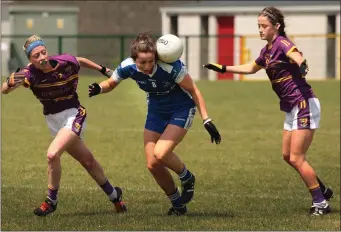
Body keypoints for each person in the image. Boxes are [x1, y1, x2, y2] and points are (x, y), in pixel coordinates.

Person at [203, 7, 333, 216]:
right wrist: (224, 68)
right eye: (258, 26)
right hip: (292, 108)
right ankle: (322, 190)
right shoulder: (267, 51)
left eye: (264, 26)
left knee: (297, 157)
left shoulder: (282, 43)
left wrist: (302, 64)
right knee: (287, 155)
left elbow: (296, 55)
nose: (260, 30)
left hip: (304, 104)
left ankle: (320, 203)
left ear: (277, 26)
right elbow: (251, 68)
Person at [88, 32, 221, 215]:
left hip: (181, 109)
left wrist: (206, 119)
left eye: (151, 61)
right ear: (134, 59)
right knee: (153, 164)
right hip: (156, 112)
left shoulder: (170, 67)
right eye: (142, 62)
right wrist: (98, 88)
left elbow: (194, 90)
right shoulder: (128, 67)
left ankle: (187, 177)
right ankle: (177, 205)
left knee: (161, 153)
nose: (148, 66)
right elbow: (111, 83)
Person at [1, 35, 127, 216]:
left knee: (52, 154)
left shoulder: (64, 61)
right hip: (53, 121)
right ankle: (116, 196)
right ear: (30, 59)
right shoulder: (30, 74)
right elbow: (4, 90)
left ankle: (51, 200)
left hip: (74, 115)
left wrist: (103, 69)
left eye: (43, 52)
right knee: (87, 161)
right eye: (36, 56)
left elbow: (80, 61)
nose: (42, 57)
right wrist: (16, 77)